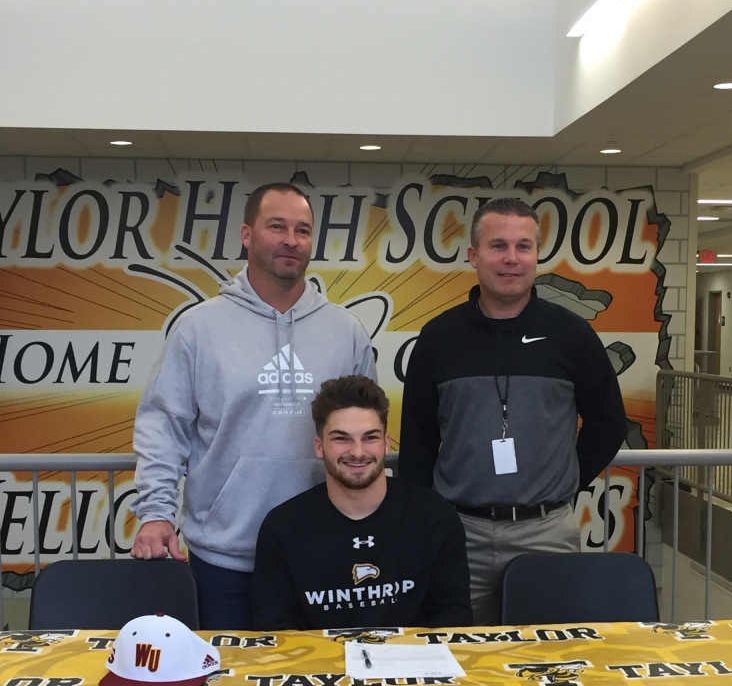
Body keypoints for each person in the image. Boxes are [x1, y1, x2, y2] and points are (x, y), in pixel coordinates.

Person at [129, 183, 375, 629]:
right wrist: (156, 512)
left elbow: (365, 437)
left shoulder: (346, 331)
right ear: (247, 234)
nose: (290, 240)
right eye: (276, 226)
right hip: (225, 562)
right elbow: (163, 427)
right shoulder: (199, 329)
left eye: (302, 230)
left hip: (325, 554)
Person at [398, 196, 627, 624]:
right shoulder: (439, 337)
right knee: (460, 658)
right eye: (498, 245)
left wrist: (566, 480)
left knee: (547, 661)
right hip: (458, 532)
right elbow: (418, 440)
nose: (511, 259)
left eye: (523, 246)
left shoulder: (571, 334)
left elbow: (608, 422)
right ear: (473, 255)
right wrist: (429, 522)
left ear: (537, 256)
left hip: (547, 531)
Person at [252, 376, 472, 630]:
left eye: (370, 437)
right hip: (322, 666)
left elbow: (453, 617)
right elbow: (275, 631)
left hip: (411, 665)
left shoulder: (434, 516)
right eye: (341, 438)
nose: (357, 452)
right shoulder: (282, 527)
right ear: (319, 446)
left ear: (387, 443)